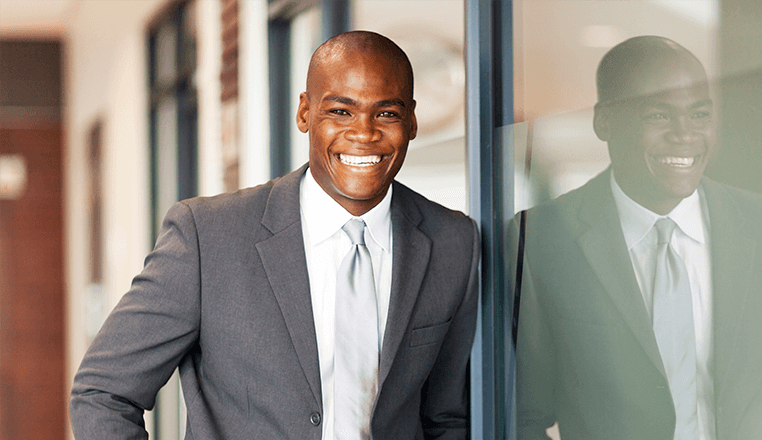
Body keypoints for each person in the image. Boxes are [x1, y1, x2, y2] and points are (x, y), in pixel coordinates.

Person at [71, 31, 479, 439]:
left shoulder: (452, 243)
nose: (364, 133)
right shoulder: (207, 237)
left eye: (386, 114)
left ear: (411, 121)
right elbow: (102, 393)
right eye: (340, 111)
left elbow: (445, 418)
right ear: (304, 113)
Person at [515, 36, 762, 439]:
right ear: (604, 121)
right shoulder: (540, 240)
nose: (685, 134)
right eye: (659, 116)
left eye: (699, 115)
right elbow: (523, 416)